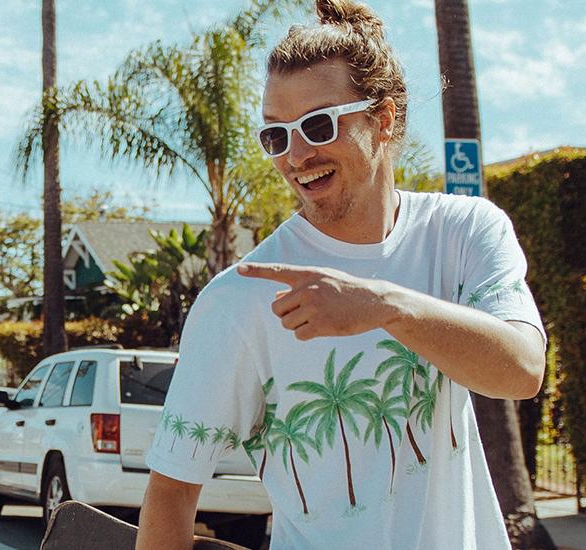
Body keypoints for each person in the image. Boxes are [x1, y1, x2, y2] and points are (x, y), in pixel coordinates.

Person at [137, 0, 546, 548]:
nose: (296, 155)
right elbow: (171, 492)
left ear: (383, 120)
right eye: (276, 135)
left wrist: (384, 305)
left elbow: (521, 370)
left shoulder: (464, 232)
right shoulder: (239, 300)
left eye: (319, 124)